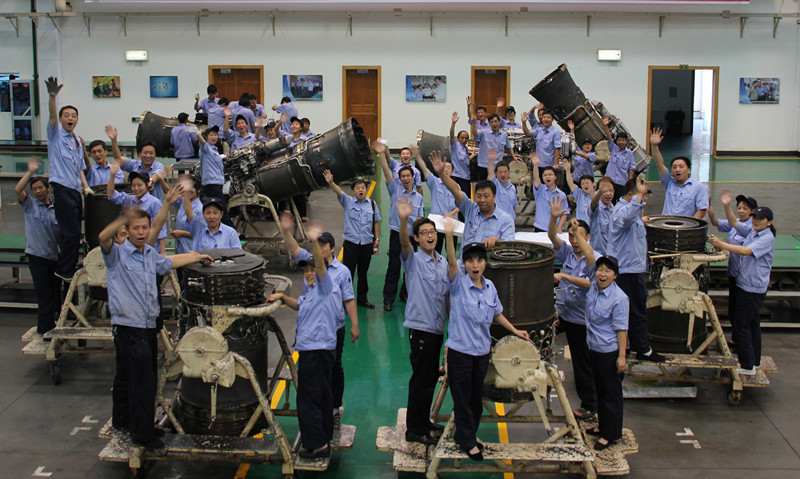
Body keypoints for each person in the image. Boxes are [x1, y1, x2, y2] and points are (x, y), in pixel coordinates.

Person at [101, 205, 210, 452]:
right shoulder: (117, 255)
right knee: (142, 383)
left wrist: (197, 256)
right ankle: (142, 434)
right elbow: (102, 238)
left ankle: (123, 421)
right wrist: (121, 217)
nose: (141, 232)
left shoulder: (149, 254)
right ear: (126, 231)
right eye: (135, 228)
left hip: (148, 325)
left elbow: (169, 261)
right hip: (130, 328)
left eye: (144, 228)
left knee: (126, 378)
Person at [445, 239, 530, 461]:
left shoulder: (490, 287)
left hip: (481, 353)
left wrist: (514, 331)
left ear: (485, 263)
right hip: (460, 353)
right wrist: (449, 235)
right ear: (465, 264)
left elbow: (496, 313)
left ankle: (467, 436)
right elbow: (451, 263)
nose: (475, 264)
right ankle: (469, 441)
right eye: (470, 260)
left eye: (479, 260)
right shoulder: (458, 285)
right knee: (461, 400)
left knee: (475, 399)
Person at [266, 226, 339, 459]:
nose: (308, 274)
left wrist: (315, 242)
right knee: (323, 394)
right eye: (305, 271)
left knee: (308, 397)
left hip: (316, 350)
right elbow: (300, 305)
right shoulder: (311, 292)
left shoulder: (326, 286)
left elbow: (319, 266)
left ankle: (317, 445)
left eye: (311, 270)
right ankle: (325, 435)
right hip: (318, 350)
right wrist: (284, 298)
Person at [280, 214, 359, 427]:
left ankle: (333, 406)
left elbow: (349, 299)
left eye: (325, 246)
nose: (321, 249)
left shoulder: (341, 272)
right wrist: (286, 231)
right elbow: (295, 250)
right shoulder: (310, 264)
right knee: (318, 373)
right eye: (319, 245)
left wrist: (355, 325)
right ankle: (323, 408)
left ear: (332, 248)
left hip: (334, 327)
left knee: (335, 367)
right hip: (313, 327)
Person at [397, 203, 450, 445]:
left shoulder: (442, 262)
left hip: (437, 330)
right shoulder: (414, 261)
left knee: (429, 379)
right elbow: (404, 244)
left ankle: (423, 421)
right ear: (417, 238)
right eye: (425, 233)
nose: (431, 236)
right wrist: (403, 219)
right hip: (421, 330)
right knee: (420, 381)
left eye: (433, 232)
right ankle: (414, 430)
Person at [709, 191, 775, 376]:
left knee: (741, 325)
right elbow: (734, 223)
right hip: (746, 285)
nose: (755, 221)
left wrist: (722, 245)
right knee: (752, 324)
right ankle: (753, 360)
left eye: (760, 219)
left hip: (752, 289)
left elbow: (745, 251)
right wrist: (727, 206)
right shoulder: (754, 232)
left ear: (768, 222)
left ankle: (747, 366)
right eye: (755, 218)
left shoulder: (766, 238)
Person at [548, 204, 597, 420]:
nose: (574, 240)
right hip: (563, 313)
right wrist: (553, 219)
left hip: (581, 319)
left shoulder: (594, 258)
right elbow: (552, 237)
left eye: (579, 236)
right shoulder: (567, 252)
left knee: (582, 363)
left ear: (588, 238)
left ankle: (589, 405)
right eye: (571, 236)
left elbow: (591, 284)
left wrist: (565, 277)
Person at [607, 176, 665, 362]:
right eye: (642, 195)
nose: (644, 199)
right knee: (636, 311)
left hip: (633, 269)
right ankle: (642, 349)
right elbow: (625, 219)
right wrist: (638, 198)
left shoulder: (632, 212)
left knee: (633, 310)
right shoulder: (622, 211)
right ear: (632, 195)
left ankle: (630, 344)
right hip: (628, 273)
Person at [430, 150, 515, 254]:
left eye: (486, 196)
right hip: (464, 266)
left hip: (489, 267)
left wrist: (498, 241)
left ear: (494, 196)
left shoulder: (506, 220)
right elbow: (456, 190)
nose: (482, 200)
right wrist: (442, 174)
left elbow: (508, 248)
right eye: (479, 196)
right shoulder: (470, 209)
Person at [584, 255, 628, 451]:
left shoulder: (619, 299)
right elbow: (588, 255)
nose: (602, 274)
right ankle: (603, 426)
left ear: (615, 276)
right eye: (600, 270)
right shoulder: (594, 287)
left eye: (607, 271)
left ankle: (611, 434)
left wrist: (621, 357)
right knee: (600, 391)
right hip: (594, 347)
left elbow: (621, 329)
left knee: (611, 395)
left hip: (609, 352)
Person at [376, 141, 424, 311]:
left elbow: (420, 217)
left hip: (412, 236)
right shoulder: (394, 190)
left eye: (407, 176)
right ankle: (388, 298)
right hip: (397, 233)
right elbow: (386, 171)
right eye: (402, 176)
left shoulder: (418, 197)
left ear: (412, 177)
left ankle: (405, 293)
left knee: (410, 267)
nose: (405, 178)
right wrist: (381, 154)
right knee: (394, 266)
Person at [44, 76, 83, 281]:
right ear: (60, 119)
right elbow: (51, 114)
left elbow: (80, 169)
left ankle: (69, 264)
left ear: (77, 120)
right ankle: (64, 270)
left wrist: (86, 189)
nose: (70, 118)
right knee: (71, 233)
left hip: (75, 191)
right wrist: (52, 96)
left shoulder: (77, 139)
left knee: (75, 234)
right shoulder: (56, 136)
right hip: (61, 188)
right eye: (66, 115)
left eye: (73, 115)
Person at [16, 158, 60, 336]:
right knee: (44, 297)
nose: (38, 191)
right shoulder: (30, 205)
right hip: (38, 258)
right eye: (34, 189)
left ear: (48, 188)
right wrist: (30, 172)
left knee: (56, 296)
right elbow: (18, 189)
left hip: (55, 258)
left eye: (41, 187)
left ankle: (55, 327)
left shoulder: (57, 208)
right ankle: (45, 331)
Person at [323, 171, 380, 308]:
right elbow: (339, 192)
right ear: (353, 191)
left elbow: (376, 221)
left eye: (363, 187)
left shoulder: (372, 204)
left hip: (366, 244)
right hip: (351, 244)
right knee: (347, 273)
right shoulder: (348, 202)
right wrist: (331, 182)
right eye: (357, 188)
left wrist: (376, 238)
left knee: (363, 273)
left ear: (366, 190)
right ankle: (344, 300)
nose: (361, 190)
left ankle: (362, 298)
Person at [707, 195, 758, 326]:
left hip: (744, 275)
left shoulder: (751, 228)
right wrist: (711, 214)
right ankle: (736, 337)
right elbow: (718, 222)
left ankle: (740, 339)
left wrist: (722, 244)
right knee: (733, 306)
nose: (741, 211)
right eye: (739, 208)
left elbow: (744, 249)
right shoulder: (736, 222)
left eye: (745, 208)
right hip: (733, 271)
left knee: (741, 311)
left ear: (752, 211)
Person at [107, 166, 167, 254]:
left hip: (151, 247)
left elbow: (161, 227)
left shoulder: (154, 202)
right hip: (134, 246)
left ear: (147, 184)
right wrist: (112, 175)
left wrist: (163, 250)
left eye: (139, 185)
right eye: (133, 185)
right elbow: (111, 195)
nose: (136, 188)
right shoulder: (129, 199)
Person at [650, 128, 708, 218]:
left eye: (681, 166)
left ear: (689, 170)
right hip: (666, 225)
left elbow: (701, 211)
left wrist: (688, 225)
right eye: (674, 167)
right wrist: (654, 146)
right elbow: (659, 164)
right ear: (672, 172)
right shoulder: (669, 183)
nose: (677, 169)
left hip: (685, 228)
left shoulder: (698, 188)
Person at [414, 150, 460, 254]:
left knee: (451, 252)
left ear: (452, 171)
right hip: (437, 224)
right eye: (445, 167)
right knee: (435, 251)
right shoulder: (434, 182)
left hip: (452, 223)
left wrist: (451, 213)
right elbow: (425, 169)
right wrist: (417, 155)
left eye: (449, 168)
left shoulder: (456, 187)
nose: (446, 170)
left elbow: (460, 205)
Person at [108, 126, 167, 201]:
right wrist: (114, 140)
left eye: (151, 153)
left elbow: (156, 176)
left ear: (155, 155)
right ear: (139, 154)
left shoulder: (158, 166)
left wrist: (150, 181)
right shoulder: (134, 164)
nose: (148, 156)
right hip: (137, 205)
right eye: (145, 153)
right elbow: (118, 159)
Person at [193, 125, 233, 227]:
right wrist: (196, 132)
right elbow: (202, 142)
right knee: (220, 209)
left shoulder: (215, 150)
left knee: (219, 208)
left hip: (218, 184)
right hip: (211, 184)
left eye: (215, 135)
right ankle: (232, 232)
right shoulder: (205, 148)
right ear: (206, 137)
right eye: (211, 135)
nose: (214, 137)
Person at [471, 113, 518, 183]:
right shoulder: (484, 133)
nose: (494, 124)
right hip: (484, 165)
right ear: (489, 124)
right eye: (492, 122)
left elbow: (509, 147)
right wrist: (474, 123)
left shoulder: (504, 135)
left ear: (499, 122)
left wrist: (514, 157)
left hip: (497, 166)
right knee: (484, 187)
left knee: (497, 187)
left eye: (496, 121)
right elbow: (475, 133)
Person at [531, 154, 569, 233]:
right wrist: (535, 165)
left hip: (555, 229)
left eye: (550, 175)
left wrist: (559, 227)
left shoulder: (561, 195)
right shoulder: (540, 190)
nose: (547, 177)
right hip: (540, 228)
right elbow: (536, 179)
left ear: (555, 177)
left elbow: (565, 213)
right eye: (545, 175)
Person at [602, 116, 635, 201]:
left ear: (626, 141)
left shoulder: (629, 154)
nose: (621, 142)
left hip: (621, 183)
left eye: (623, 140)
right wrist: (605, 126)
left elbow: (631, 170)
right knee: (608, 202)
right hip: (609, 182)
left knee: (621, 203)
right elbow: (609, 137)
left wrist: (629, 184)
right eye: (619, 140)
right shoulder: (614, 149)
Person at [169, 175, 204, 255]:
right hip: (180, 249)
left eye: (191, 188)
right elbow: (169, 197)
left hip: (192, 250)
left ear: (198, 190)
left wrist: (181, 233)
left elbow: (202, 233)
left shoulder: (199, 209)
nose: (188, 190)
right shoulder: (183, 203)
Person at [523, 107, 561, 176]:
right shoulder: (539, 130)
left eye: (548, 117)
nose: (546, 119)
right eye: (544, 117)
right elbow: (527, 133)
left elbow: (557, 149)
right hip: (538, 165)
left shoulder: (556, 132)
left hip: (549, 166)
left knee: (548, 185)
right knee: (538, 184)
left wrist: (556, 164)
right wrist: (524, 123)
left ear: (552, 119)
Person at [449, 112, 474, 197]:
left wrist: (471, 156)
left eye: (466, 138)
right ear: (458, 138)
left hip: (466, 178)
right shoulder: (455, 146)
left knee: (466, 201)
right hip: (458, 178)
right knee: (458, 201)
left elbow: (465, 161)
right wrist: (453, 123)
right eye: (462, 138)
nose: (464, 140)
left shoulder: (466, 149)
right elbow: (451, 136)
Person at [589, 177, 615, 256]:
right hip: (597, 254)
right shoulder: (597, 209)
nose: (608, 194)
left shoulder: (615, 210)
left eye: (611, 190)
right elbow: (593, 204)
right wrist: (600, 192)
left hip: (612, 254)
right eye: (605, 191)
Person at [562, 159, 594, 224]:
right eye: (583, 184)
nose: (585, 185)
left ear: (593, 184)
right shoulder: (579, 194)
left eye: (587, 183)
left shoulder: (598, 196)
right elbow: (571, 184)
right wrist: (568, 170)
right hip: (581, 227)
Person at [487, 153, 518, 221]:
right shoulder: (494, 184)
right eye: (500, 172)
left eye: (505, 172)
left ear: (509, 173)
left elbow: (513, 207)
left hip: (510, 222)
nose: (503, 174)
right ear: (496, 173)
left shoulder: (512, 188)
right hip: (497, 221)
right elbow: (490, 174)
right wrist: (491, 160)